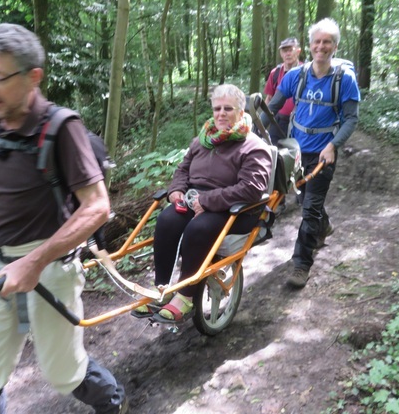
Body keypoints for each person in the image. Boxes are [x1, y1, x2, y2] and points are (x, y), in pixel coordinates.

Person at [0, 23, 128, 414]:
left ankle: (114, 402)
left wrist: (34, 262)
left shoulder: (60, 127)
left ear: (33, 77)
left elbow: (97, 206)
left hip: (50, 265)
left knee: (64, 371)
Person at [133, 84, 273, 323]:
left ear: (241, 112)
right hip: (195, 200)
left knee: (199, 229)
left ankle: (186, 296)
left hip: (233, 209)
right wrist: (176, 190)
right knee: (166, 220)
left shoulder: (253, 146)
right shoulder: (202, 141)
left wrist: (208, 201)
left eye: (228, 108)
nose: (221, 113)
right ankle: (161, 290)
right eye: (217, 108)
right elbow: (183, 169)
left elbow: (252, 188)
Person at [265, 18, 360, 289]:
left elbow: (351, 119)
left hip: (323, 153)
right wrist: (252, 130)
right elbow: (273, 105)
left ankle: (301, 265)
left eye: (327, 42)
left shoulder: (345, 80)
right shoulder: (296, 75)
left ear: (335, 46)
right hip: (295, 151)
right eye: (317, 42)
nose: (321, 46)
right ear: (309, 46)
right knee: (307, 199)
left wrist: (333, 146)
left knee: (309, 209)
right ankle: (324, 226)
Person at [263, 37, 302, 145]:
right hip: (277, 121)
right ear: (281, 53)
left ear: (298, 51)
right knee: (274, 151)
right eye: (285, 51)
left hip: (300, 122)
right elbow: (269, 98)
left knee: (297, 153)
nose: (287, 54)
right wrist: (263, 122)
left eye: (290, 50)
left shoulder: (306, 72)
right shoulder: (275, 73)